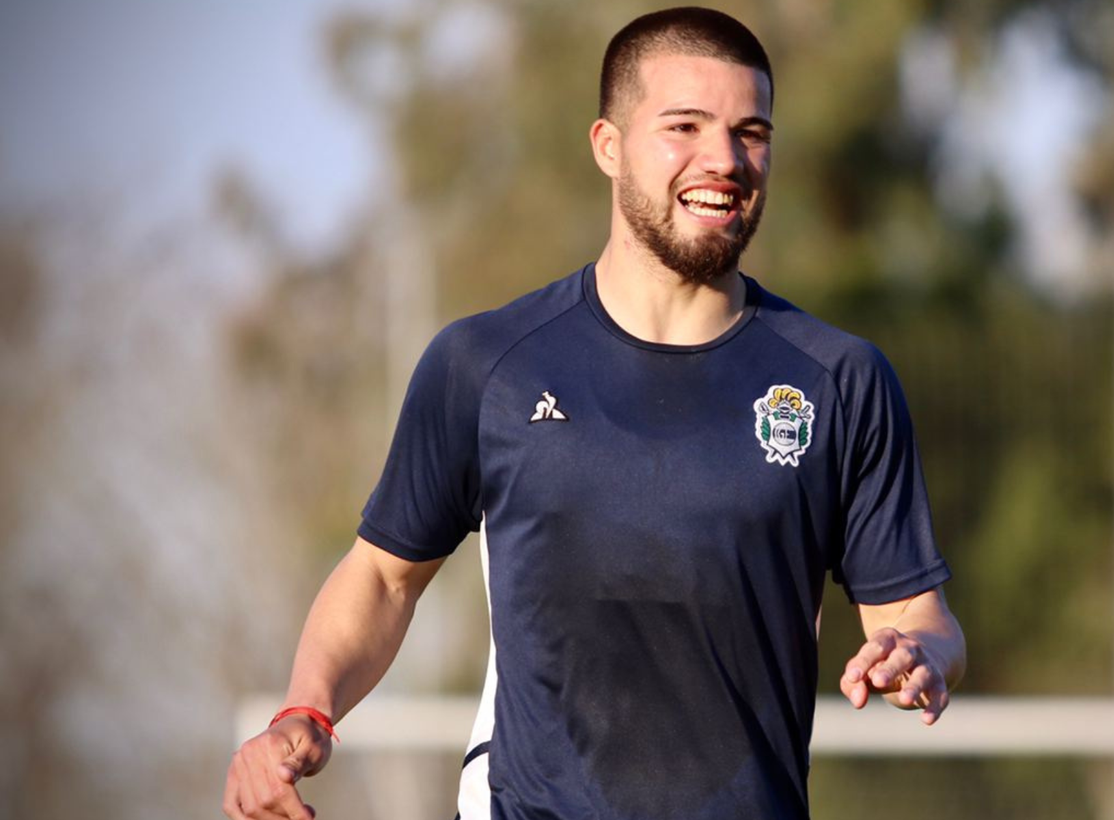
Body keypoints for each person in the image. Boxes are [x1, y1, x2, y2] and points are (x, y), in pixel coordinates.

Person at [223, 7, 965, 820]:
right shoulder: (487, 364)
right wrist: (306, 711)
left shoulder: (842, 381)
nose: (724, 158)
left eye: (751, 132)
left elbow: (917, 617)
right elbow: (382, 578)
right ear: (608, 146)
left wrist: (917, 655)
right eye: (685, 125)